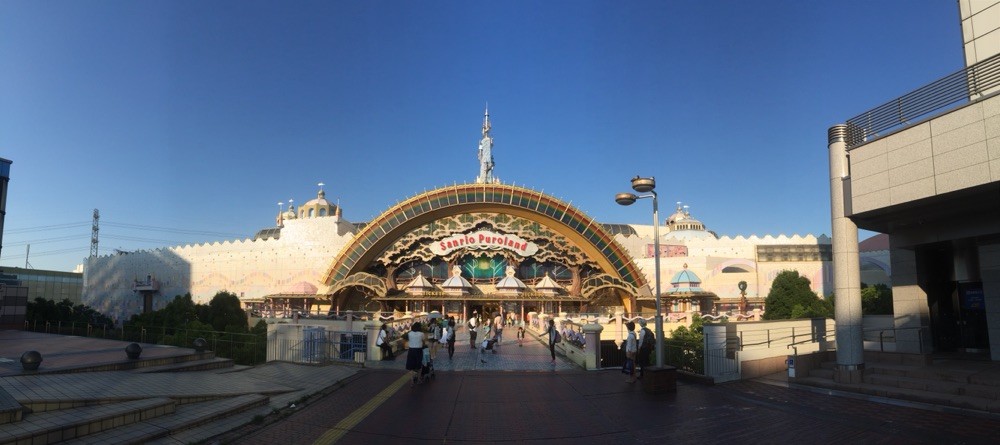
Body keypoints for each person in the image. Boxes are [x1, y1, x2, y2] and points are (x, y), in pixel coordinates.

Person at [405, 322, 427, 386]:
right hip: (418, 350)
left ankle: (412, 381)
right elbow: (424, 341)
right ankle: (419, 379)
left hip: (411, 350)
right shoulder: (421, 334)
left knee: (411, 366)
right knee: (419, 365)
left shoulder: (409, 333)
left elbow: (409, 340)